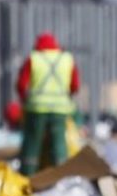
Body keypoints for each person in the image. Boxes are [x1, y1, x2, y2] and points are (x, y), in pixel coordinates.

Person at [16, 32, 80, 175]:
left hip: (36, 109)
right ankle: (61, 175)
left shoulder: (33, 58)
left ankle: (28, 176)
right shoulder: (67, 59)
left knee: (32, 144)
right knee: (59, 143)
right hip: (60, 109)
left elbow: (21, 84)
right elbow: (75, 85)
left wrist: (24, 100)